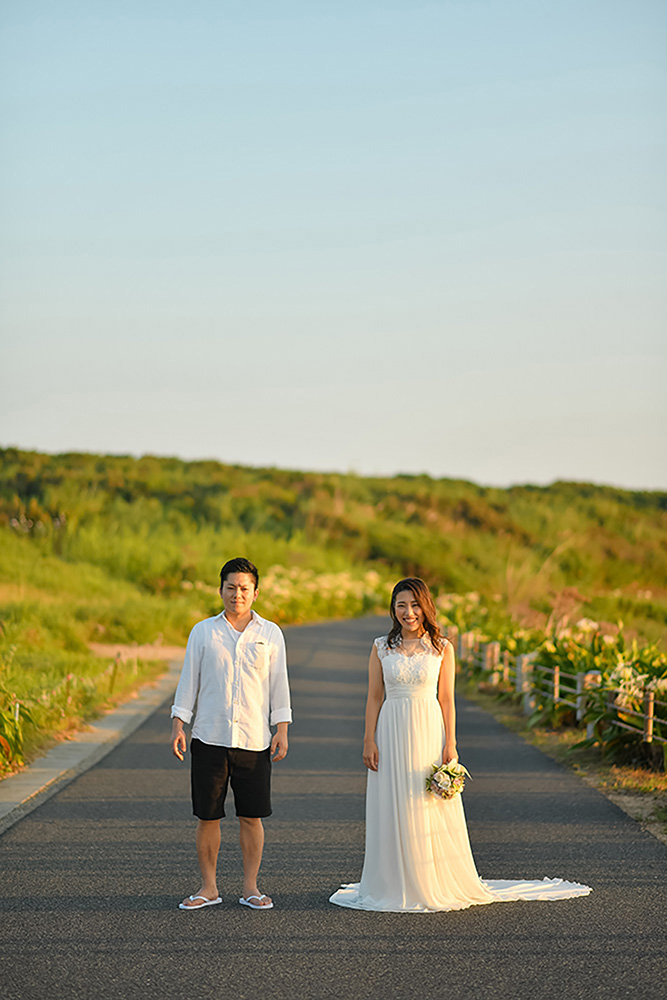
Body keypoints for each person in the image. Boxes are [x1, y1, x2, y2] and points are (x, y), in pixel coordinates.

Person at [329, 577, 591, 912]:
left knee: (425, 799)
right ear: (393, 610)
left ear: (426, 607)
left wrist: (450, 744)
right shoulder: (382, 646)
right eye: (401, 606)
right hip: (390, 728)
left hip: (428, 728)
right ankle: (392, 881)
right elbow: (374, 696)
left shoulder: (441, 647)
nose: (408, 612)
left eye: (414, 605)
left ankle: (430, 879)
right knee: (392, 798)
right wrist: (369, 739)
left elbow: (447, 699)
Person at [170, 557, 292, 911]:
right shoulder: (203, 632)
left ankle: (251, 888)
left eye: (244, 588)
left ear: (255, 593)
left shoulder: (270, 634)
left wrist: (281, 728)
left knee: (251, 816)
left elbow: (278, 684)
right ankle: (208, 887)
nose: (237, 594)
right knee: (207, 816)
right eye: (230, 587)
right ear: (220, 589)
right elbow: (188, 680)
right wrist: (179, 723)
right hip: (209, 736)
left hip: (254, 738)